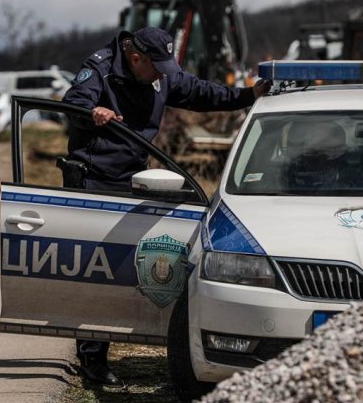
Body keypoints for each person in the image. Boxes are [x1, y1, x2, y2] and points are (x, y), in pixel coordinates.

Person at [61, 26, 271, 385]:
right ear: (136, 57)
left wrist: (246, 95)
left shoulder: (160, 74)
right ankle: (92, 359)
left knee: (130, 264)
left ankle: (138, 333)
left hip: (133, 177)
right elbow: (72, 102)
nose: (161, 75)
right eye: (156, 67)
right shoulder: (101, 68)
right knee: (98, 271)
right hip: (94, 179)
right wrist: (92, 111)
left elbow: (200, 92)